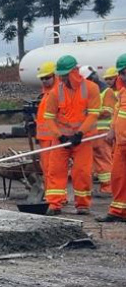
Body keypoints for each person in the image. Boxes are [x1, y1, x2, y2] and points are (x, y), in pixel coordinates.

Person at [42, 55, 101, 215]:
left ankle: (82, 205)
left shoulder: (91, 88)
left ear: (75, 71)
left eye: (65, 75)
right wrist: (59, 136)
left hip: (83, 139)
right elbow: (49, 117)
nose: (62, 78)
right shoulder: (56, 92)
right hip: (61, 139)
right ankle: (54, 204)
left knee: (82, 172)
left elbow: (93, 114)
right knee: (56, 171)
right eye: (60, 75)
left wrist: (80, 133)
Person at [98, 54, 126, 222]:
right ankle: (118, 211)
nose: (123, 77)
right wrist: (112, 131)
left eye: (125, 73)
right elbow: (117, 115)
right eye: (121, 73)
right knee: (117, 177)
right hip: (120, 144)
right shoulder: (122, 93)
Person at [94, 67, 118, 195]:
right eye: (107, 79)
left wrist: (91, 113)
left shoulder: (108, 92)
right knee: (108, 158)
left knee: (105, 158)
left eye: (111, 78)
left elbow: (108, 112)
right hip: (103, 131)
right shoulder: (108, 92)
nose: (108, 81)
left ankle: (108, 187)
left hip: (105, 130)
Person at [34, 62, 58, 191]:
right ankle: (50, 192)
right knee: (46, 167)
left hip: (53, 138)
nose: (44, 81)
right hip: (44, 138)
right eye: (42, 78)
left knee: (52, 168)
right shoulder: (46, 94)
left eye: (47, 77)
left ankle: (54, 194)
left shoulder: (58, 93)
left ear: (55, 76)